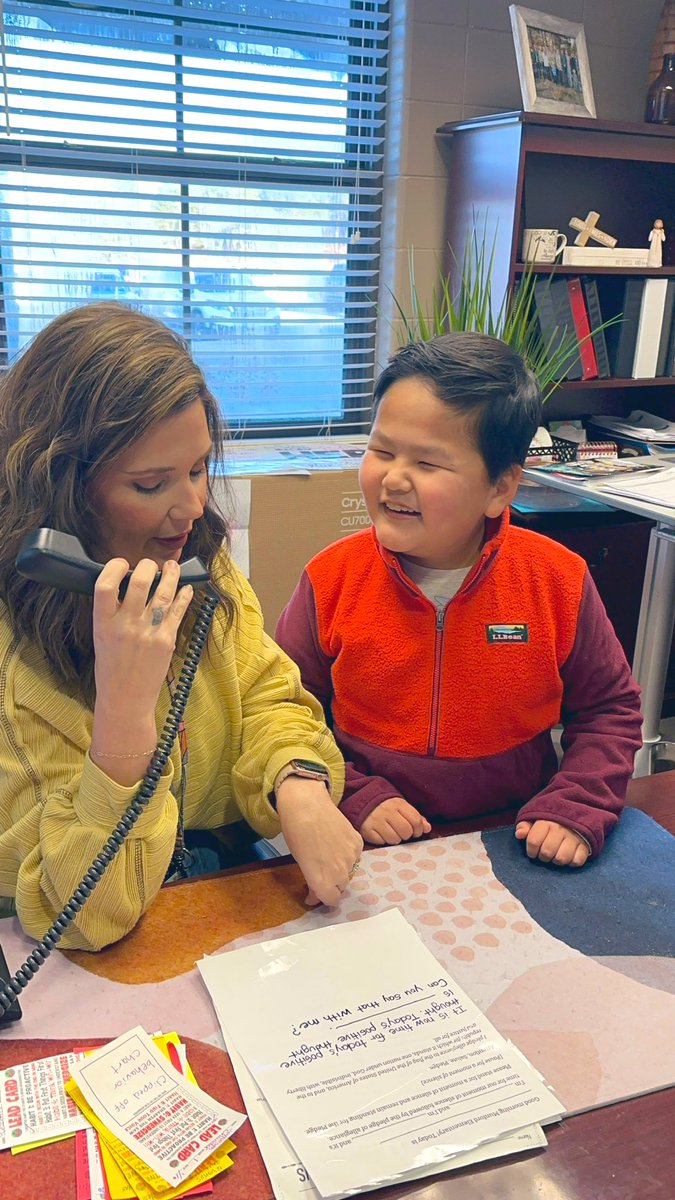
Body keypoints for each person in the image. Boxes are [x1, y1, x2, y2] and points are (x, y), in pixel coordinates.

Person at [0, 303, 362, 952]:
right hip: (86, 938)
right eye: (150, 484)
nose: (193, 507)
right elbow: (82, 913)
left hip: (210, 882)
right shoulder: (12, 658)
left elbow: (262, 692)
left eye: (198, 470)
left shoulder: (191, 556)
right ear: (61, 495)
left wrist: (297, 780)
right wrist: (125, 710)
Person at [276, 333, 643, 867]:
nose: (394, 478)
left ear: (500, 487)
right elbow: (286, 709)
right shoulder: (331, 577)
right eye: (381, 450)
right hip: (368, 845)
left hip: (515, 840)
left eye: (427, 464)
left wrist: (577, 803)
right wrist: (351, 791)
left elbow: (610, 708)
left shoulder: (556, 579)